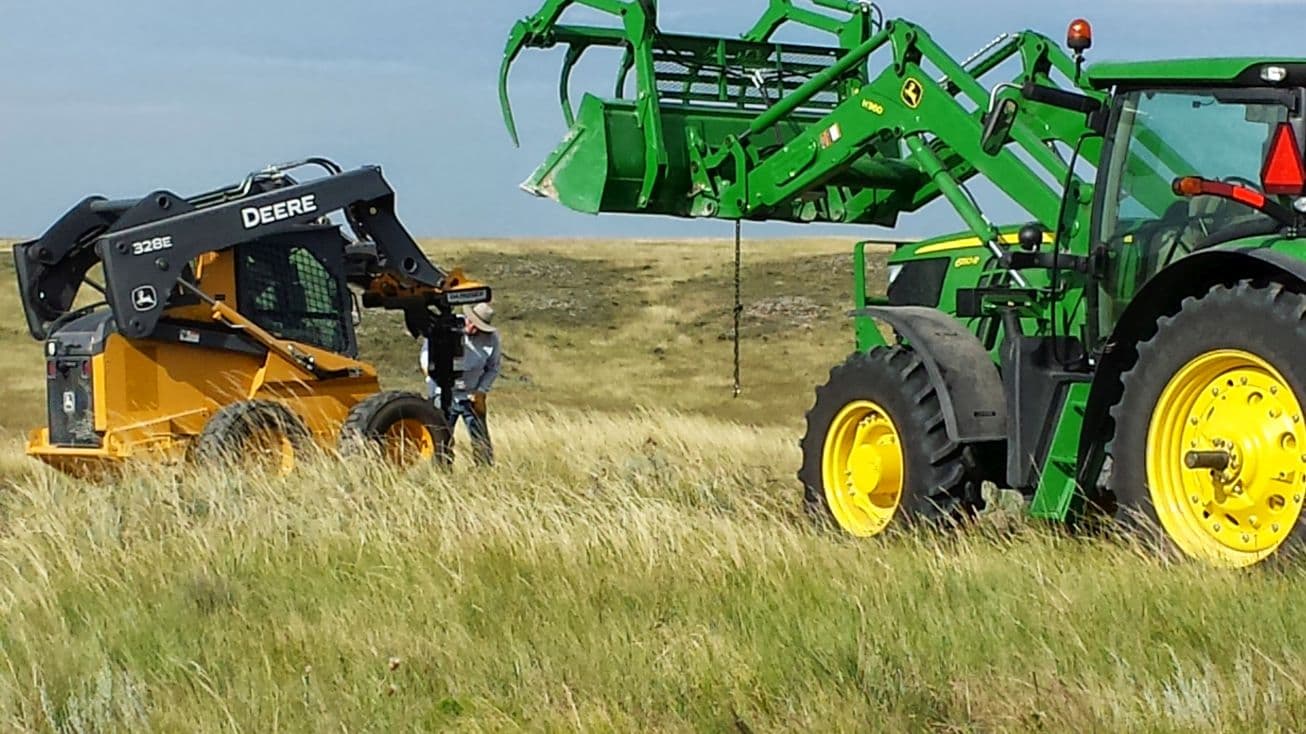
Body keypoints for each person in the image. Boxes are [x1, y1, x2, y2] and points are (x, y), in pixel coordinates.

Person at [419, 303, 502, 465]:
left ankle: (484, 469)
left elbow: (493, 368)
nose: (473, 328)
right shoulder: (446, 326)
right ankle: (441, 469)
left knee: (481, 439)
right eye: (472, 323)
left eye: (479, 327)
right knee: (440, 437)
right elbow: (426, 353)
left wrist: (481, 390)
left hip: (471, 395)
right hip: (442, 393)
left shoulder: (492, 339)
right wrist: (431, 374)